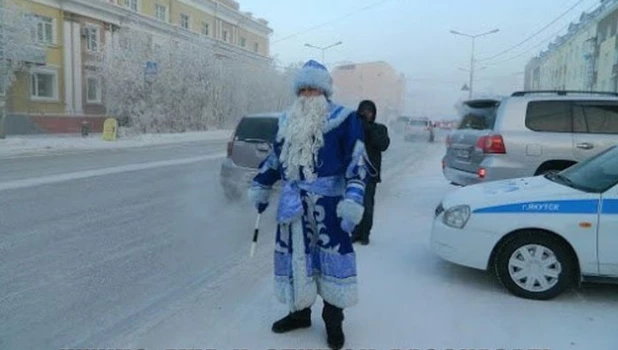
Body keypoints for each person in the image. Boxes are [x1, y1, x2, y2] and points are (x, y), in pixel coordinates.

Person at [248, 60, 371, 350]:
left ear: (324, 91)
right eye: (302, 89)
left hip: (329, 208)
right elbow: (276, 159)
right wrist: (262, 185)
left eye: (313, 89)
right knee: (296, 261)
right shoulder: (287, 121)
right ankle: (299, 313)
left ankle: (333, 323)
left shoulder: (345, 119)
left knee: (329, 261)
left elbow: (358, 162)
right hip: (293, 207)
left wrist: (353, 198)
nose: (307, 95)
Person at [352, 100, 390, 245]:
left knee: (367, 207)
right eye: (363, 110)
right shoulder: (354, 128)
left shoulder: (379, 128)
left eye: (369, 111)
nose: (366, 113)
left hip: (369, 174)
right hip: (354, 173)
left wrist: (369, 129)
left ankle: (365, 233)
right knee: (354, 205)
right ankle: (355, 232)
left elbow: (383, 145)